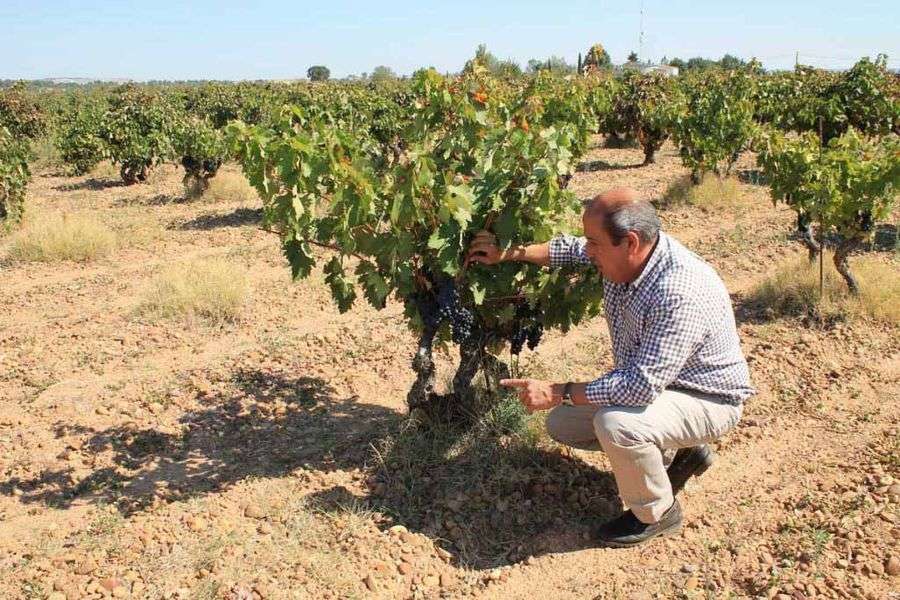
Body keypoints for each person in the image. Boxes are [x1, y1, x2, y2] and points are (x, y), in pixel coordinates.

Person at [465, 187, 755, 547]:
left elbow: (638, 387)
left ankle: (656, 513)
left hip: (706, 399)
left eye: (594, 243)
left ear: (630, 242)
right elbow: (568, 251)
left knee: (616, 423)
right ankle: (673, 454)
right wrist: (509, 253)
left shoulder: (678, 291)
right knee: (563, 423)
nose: (587, 251)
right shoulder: (630, 255)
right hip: (662, 389)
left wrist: (557, 391)